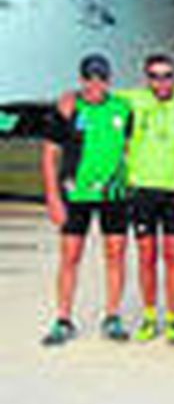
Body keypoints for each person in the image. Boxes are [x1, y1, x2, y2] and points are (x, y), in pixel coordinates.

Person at [94, 54, 174, 342]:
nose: (162, 81)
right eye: (155, 76)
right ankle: (149, 316)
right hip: (142, 190)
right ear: (147, 79)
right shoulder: (133, 99)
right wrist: (68, 100)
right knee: (147, 257)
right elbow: (94, 94)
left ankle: (172, 316)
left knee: (173, 257)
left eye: (167, 75)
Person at [40, 55, 133, 346]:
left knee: (115, 256)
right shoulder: (67, 109)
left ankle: (113, 316)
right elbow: (49, 155)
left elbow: (129, 148)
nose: (96, 84)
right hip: (75, 194)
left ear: (109, 80)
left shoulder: (123, 108)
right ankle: (64, 319)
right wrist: (53, 197)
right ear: (81, 80)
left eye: (101, 78)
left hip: (114, 194)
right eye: (90, 78)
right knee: (70, 257)